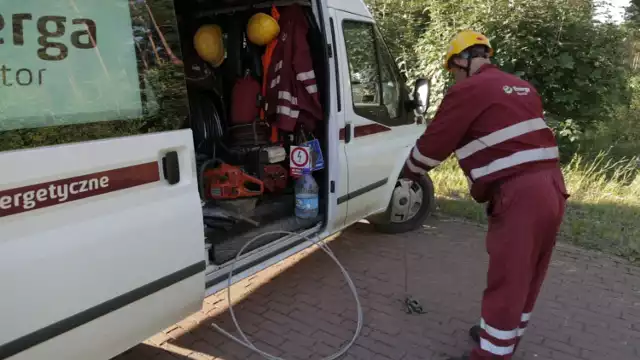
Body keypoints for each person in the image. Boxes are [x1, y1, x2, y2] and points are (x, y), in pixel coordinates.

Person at [402, 30, 569, 360]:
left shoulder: (469, 89)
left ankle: (491, 355)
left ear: (463, 61)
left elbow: (436, 142)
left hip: (520, 194)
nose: (453, 77)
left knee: (508, 280)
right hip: (552, 187)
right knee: (528, 275)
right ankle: (502, 339)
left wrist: (408, 173)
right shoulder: (522, 87)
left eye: (452, 69)